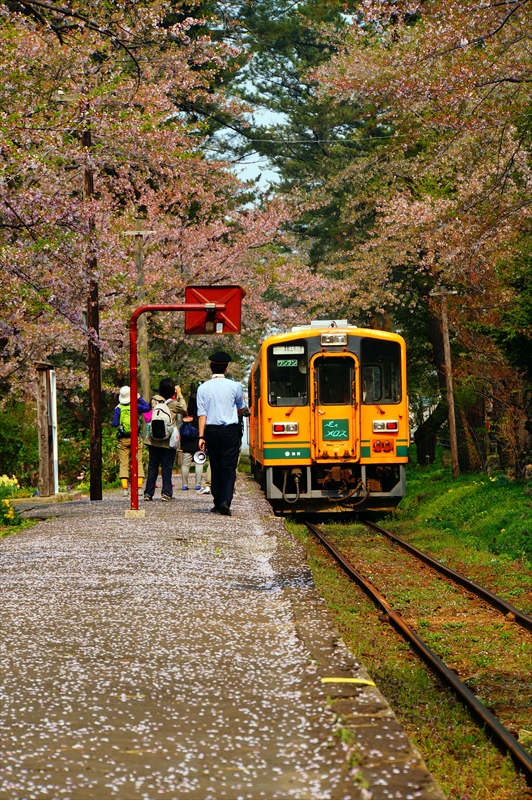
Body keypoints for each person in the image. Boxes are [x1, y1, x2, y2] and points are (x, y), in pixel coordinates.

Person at [196, 352, 246, 516]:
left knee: (215, 465)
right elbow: (240, 407)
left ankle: (217, 502)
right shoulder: (235, 386)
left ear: (211, 367)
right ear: (226, 368)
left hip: (210, 431)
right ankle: (226, 501)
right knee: (229, 467)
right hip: (229, 431)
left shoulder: (202, 388)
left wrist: (201, 436)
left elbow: (201, 414)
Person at [143, 378, 187, 502]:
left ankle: (148, 493)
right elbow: (184, 409)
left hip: (153, 439)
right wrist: (179, 394)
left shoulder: (154, 401)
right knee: (167, 466)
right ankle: (166, 493)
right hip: (168, 440)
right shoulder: (173, 404)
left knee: (153, 466)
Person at [112, 386, 151, 496]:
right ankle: (138, 488)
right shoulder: (135, 406)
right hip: (135, 438)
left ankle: (125, 489)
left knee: (123, 464)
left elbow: (115, 424)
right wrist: (139, 398)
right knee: (138, 462)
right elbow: (147, 408)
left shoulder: (118, 408)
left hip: (123, 439)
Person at [180, 383, 203, 490]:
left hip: (186, 439)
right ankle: (198, 484)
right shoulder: (201, 410)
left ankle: (185, 485)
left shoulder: (186, 411)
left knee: (185, 463)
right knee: (199, 462)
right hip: (198, 438)